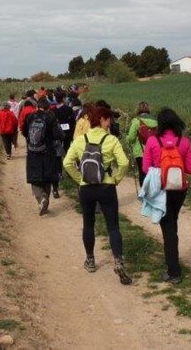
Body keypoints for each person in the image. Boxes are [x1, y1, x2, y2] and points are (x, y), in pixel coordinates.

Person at [63, 106, 132, 285]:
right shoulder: (111, 140)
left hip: (86, 188)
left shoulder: (79, 140)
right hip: (106, 187)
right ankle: (118, 260)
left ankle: (91, 260)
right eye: (108, 119)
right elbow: (124, 162)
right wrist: (115, 178)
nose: (110, 122)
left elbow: (67, 162)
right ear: (102, 120)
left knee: (88, 224)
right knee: (113, 226)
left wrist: (80, 179)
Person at [142, 107, 191, 284]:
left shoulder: (152, 141)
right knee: (172, 223)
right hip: (179, 189)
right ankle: (172, 264)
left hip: (161, 190)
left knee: (168, 229)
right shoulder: (184, 142)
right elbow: (190, 169)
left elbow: (145, 168)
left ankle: (173, 271)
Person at [23, 98, 64, 215]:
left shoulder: (30, 117)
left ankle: (41, 198)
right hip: (48, 152)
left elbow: (25, 132)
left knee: (34, 180)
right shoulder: (51, 118)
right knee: (48, 178)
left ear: (37, 107)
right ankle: (45, 200)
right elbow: (58, 135)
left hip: (33, 153)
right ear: (48, 108)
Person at [126, 101, 158, 186]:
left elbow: (131, 138)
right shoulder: (155, 120)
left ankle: (144, 194)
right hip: (154, 151)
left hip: (140, 151)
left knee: (142, 172)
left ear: (138, 109)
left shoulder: (136, 121)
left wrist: (127, 138)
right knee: (154, 172)